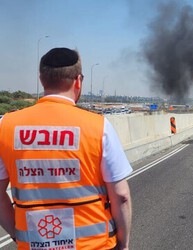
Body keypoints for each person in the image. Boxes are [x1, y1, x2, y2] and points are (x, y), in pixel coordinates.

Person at [0, 48, 132, 250]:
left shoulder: (6, 126)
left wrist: (20, 237)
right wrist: (123, 244)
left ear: (42, 79)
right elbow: (121, 196)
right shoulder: (99, 126)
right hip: (96, 245)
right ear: (78, 81)